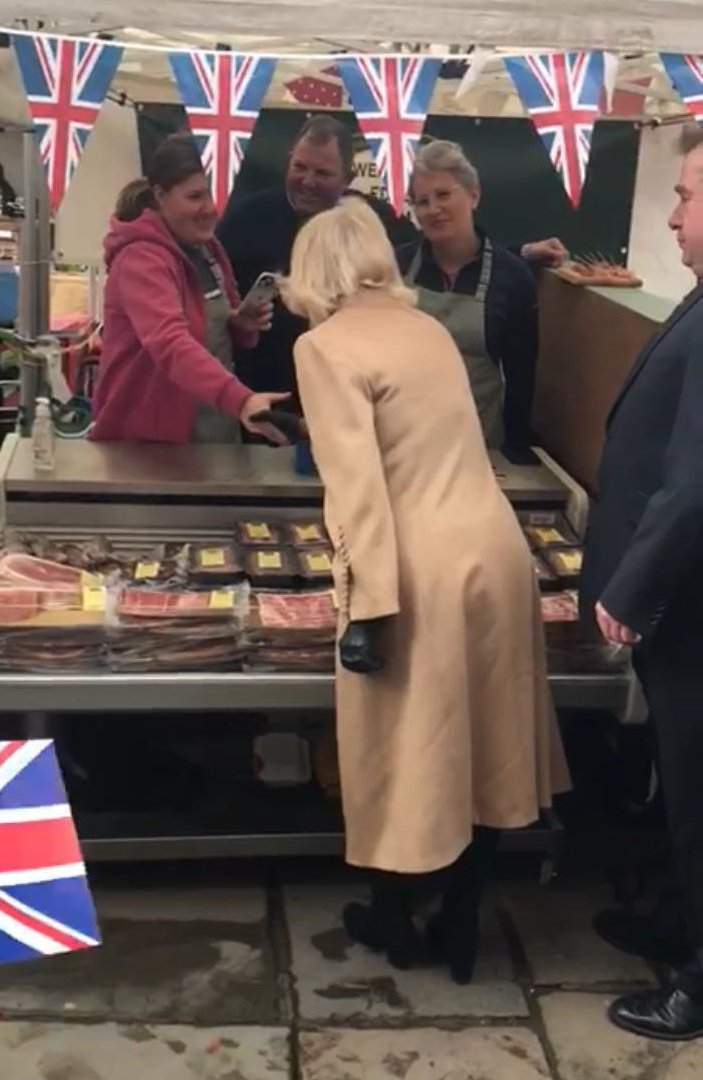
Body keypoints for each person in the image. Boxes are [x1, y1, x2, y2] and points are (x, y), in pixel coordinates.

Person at [281, 198, 569, 980]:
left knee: (401, 752)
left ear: (313, 273)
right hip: (495, 551)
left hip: (416, 569)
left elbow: (359, 491)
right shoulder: (429, 328)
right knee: (487, 745)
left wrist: (366, 608)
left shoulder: (325, 347)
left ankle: (392, 917)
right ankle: (462, 920)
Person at [580, 124, 703, 1041]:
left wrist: (631, 586)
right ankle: (677, 921)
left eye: (687, 197)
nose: (673, 215)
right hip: (679, 603)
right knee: (676, 776)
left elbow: (696, 477)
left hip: (691, 605)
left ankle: (699, 981)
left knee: (700, 790)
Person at [218, 116, 566, 407]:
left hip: (348, 398)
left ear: (348, 175)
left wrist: (518, 253)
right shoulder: (245, 220)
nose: (308, 180)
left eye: (322, 173)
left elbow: (441, 242)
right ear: (289, 157)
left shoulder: (369, 221)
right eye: (300, 167)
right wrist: (236, 321)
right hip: (261, 392)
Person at [91, 134, 287, 444]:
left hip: (212, 438)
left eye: (215, 194)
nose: (209, 208)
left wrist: (238, 323)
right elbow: (169, 342)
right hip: (149, 447)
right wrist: (241, 400)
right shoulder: (141, 258)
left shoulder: (208, 249)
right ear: (160, 194)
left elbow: (207, 327)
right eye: (195, 196)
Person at [397, 140, 539, 453]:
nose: (433, 209)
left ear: (474, 194)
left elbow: (520, 382)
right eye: (421, 201)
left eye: (444, 195)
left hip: (478, 449)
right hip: (402, 445)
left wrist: (514, 457)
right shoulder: (396, 268)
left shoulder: (513, 278)